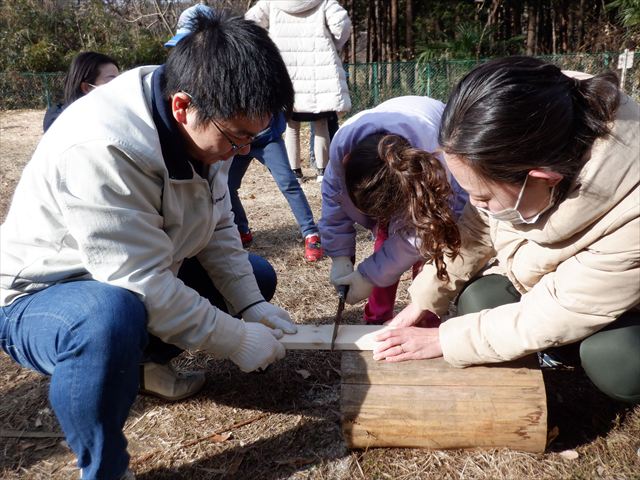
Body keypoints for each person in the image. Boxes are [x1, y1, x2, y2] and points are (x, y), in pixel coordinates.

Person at [1, 10, 297, 479]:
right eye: (238, 137)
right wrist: (236, 339)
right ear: (183, 106)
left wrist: (250, 307)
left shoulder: (209, 123)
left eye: (252, 138)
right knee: (108, 316)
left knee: (255, 277)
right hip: (44, 295)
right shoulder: (104, 145)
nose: (244, 151)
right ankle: (104, 468)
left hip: (129, 276)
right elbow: (138, 281)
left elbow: (217, 227)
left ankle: (139, 367)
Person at [374, 57, 640, 405]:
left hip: (620, 301)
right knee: (480, 300)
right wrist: (425, 299)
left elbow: (558, 310)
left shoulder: (631, 212)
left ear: (543, 180)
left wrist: (444, 341)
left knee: (617, 359)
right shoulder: (532, 114)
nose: (473, 202)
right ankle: (558, 348)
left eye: (483, 195)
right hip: (560, 285)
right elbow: (474, 228)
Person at [168, 4, 323, 262]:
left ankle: (310, 232)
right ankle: (241, 229)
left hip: (265, 139)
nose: (185, 56)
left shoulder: (244, 67)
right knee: (227, 186)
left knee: (287, 182)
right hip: (228, 141)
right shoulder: (183, 88)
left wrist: (266, 130)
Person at [319, 96, 468, 324]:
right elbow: (334, 204)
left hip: (432, 172)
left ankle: (425, 318)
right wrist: (340, 256)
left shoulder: (440, 164)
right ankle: (377, 317)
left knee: (430, 252)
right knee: (385, 239)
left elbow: (420, 237)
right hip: (399, 170)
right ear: (347, 161)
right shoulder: (342, 153)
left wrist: (368, 275)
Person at [246, 0, 352, 182]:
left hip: (285, 69)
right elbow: (342, 25)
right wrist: (334, 44)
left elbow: (250, 23)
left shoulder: (271, 2)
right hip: (319, 69)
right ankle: (323, 172)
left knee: (291, 125)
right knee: (321, 123)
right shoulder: (324, 1)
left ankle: (295, 171)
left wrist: (266, 47)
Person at [43, 51, 120, 132]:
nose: (118, 87)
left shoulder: (109, 113)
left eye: (120, 80)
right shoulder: (61, 123)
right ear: (86, 88)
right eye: (112, 82)